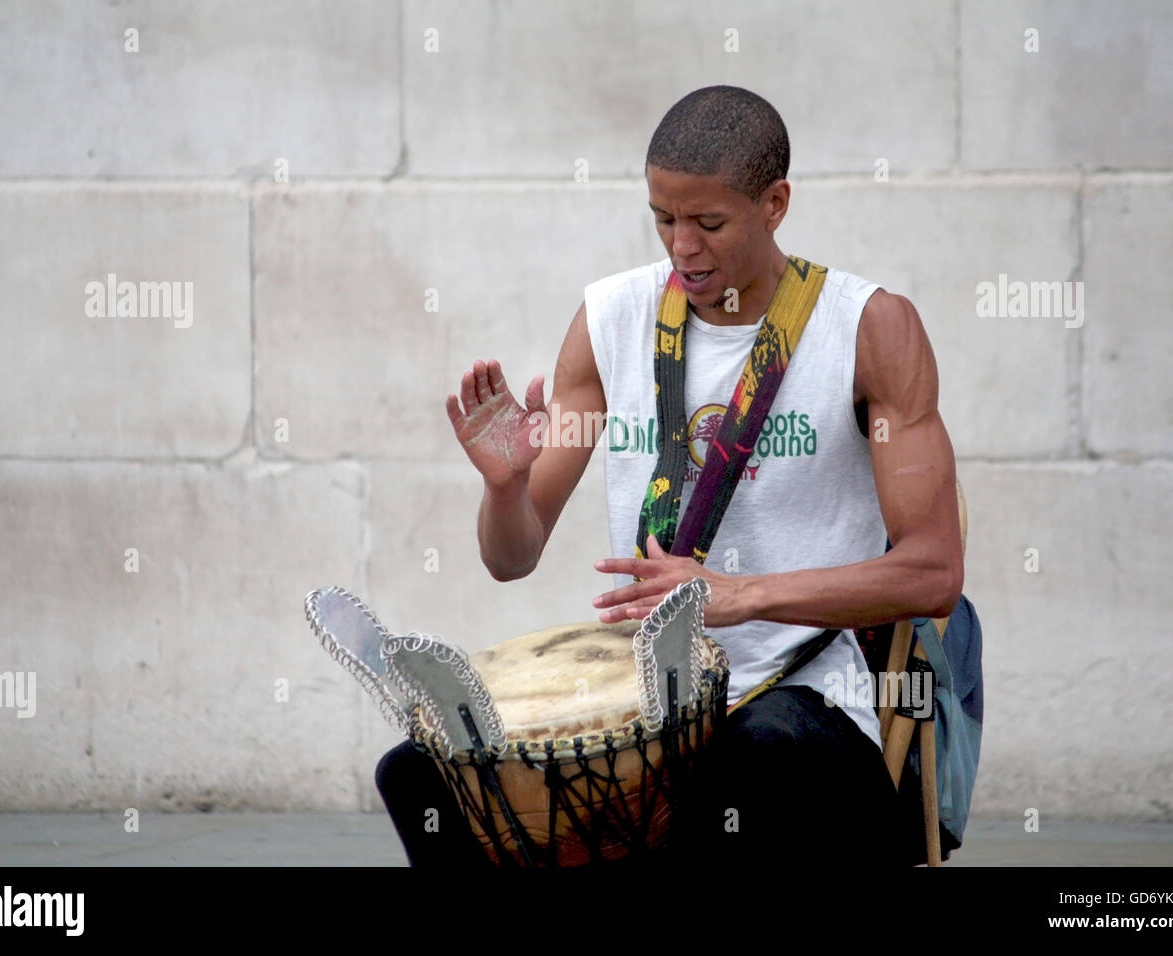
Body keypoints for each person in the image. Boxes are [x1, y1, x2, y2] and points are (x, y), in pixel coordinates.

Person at [376, 85, 963, 867]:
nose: (681, 245)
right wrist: (507, 488)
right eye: (663, 218)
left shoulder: (870, 327)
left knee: (746, 769)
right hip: (648, 707)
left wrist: (743, 595)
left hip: (805, 695)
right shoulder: (609, 317)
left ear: (776, 203)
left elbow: (933, 572)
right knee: (418, 775)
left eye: (709, 223)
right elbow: (511, 559)